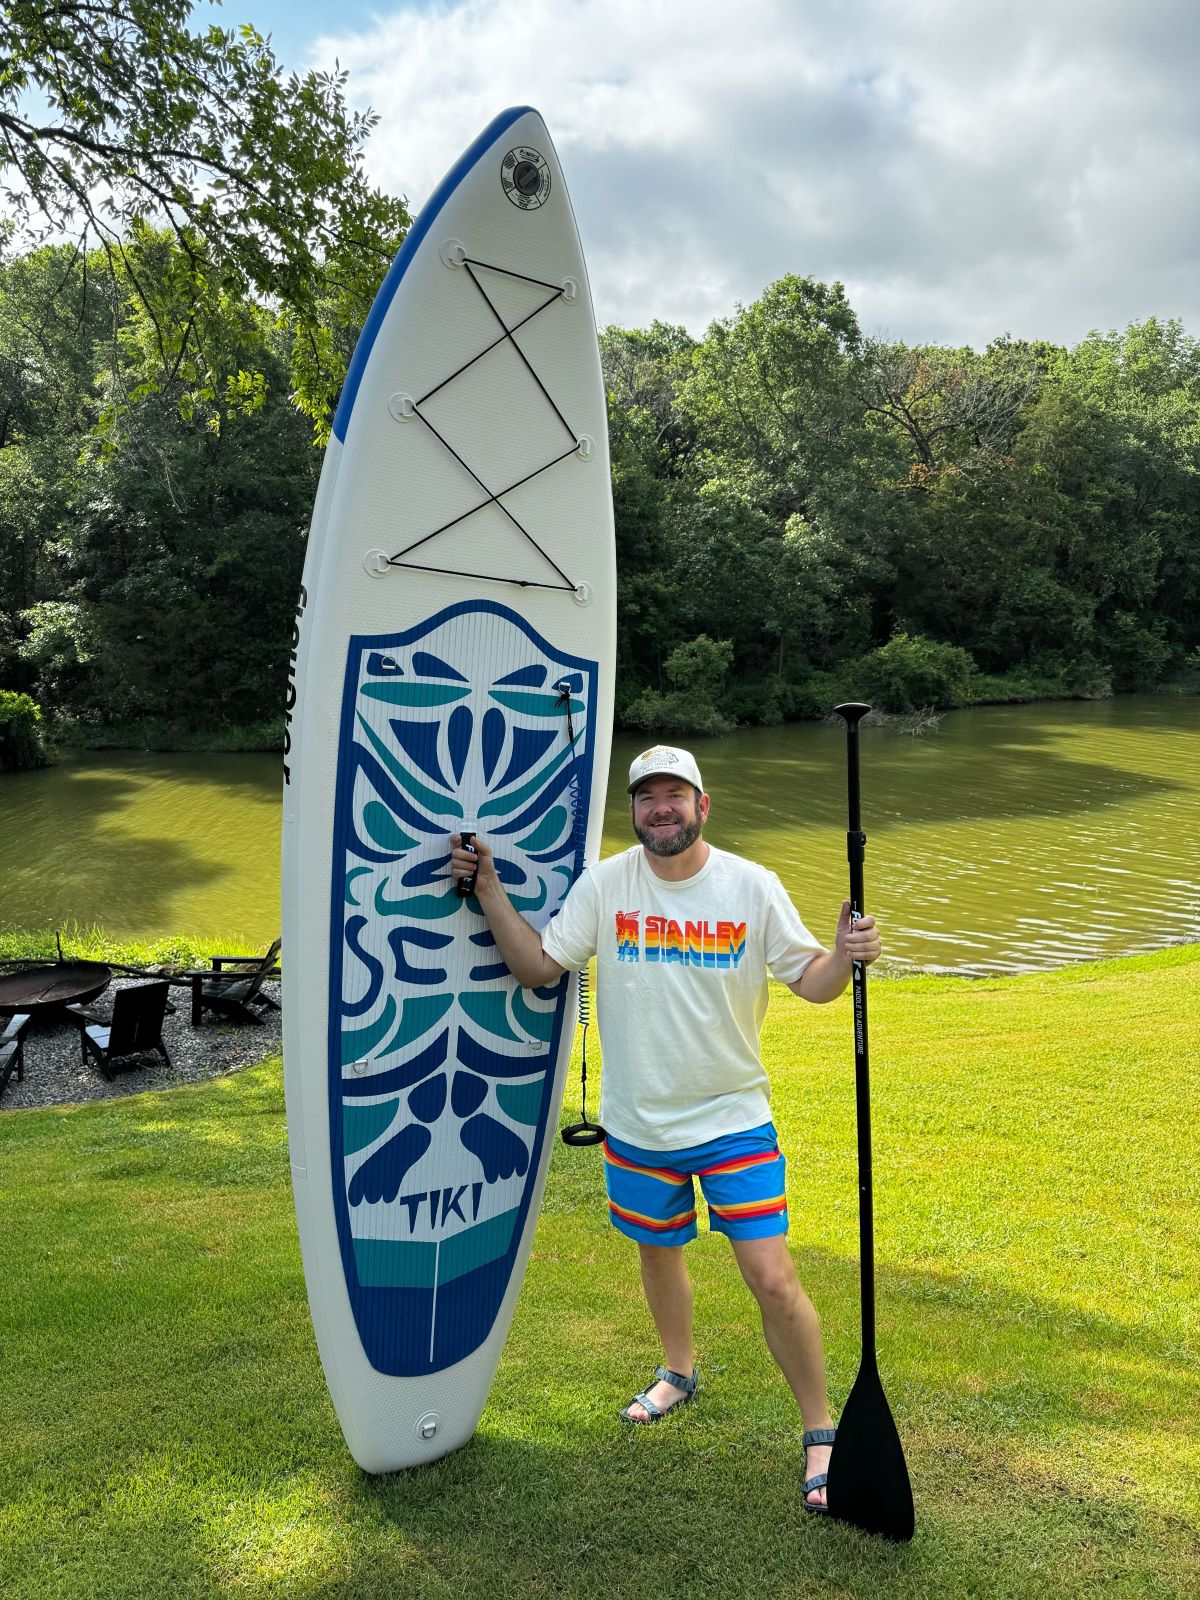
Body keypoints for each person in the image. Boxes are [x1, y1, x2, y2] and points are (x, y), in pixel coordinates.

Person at [450, 743, 881, 1512]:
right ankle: (678, 1371)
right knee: (659, 1253)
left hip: (733, 1120)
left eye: (675, 794)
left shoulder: (752, 885)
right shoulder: (606, 882)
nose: (661, 808)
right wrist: (487, 891)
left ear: (702, 805)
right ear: (635, 812)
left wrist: (846, 956)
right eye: (647, 797)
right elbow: (541, 968)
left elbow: (811, 981)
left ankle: (820, 1430)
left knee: (773, 1279)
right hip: (638, 1123)